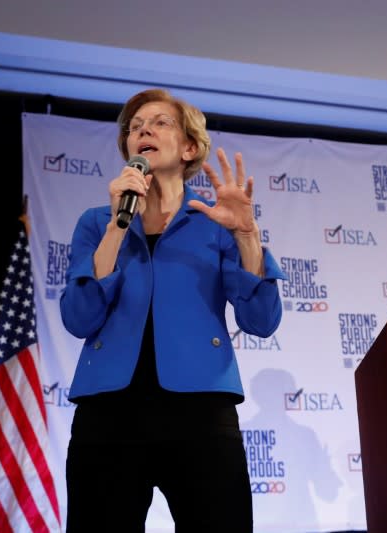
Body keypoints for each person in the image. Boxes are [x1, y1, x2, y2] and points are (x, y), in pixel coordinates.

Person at [59, 88, 286, 532]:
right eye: (134, 126)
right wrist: (116, 228)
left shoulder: (214, 222)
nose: (142, 129)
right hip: (108, 415)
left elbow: (261, 321)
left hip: (201, 413)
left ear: (188, 148)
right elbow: (79, 317)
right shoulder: (96, 222)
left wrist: (246, 234)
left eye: (159, 122)